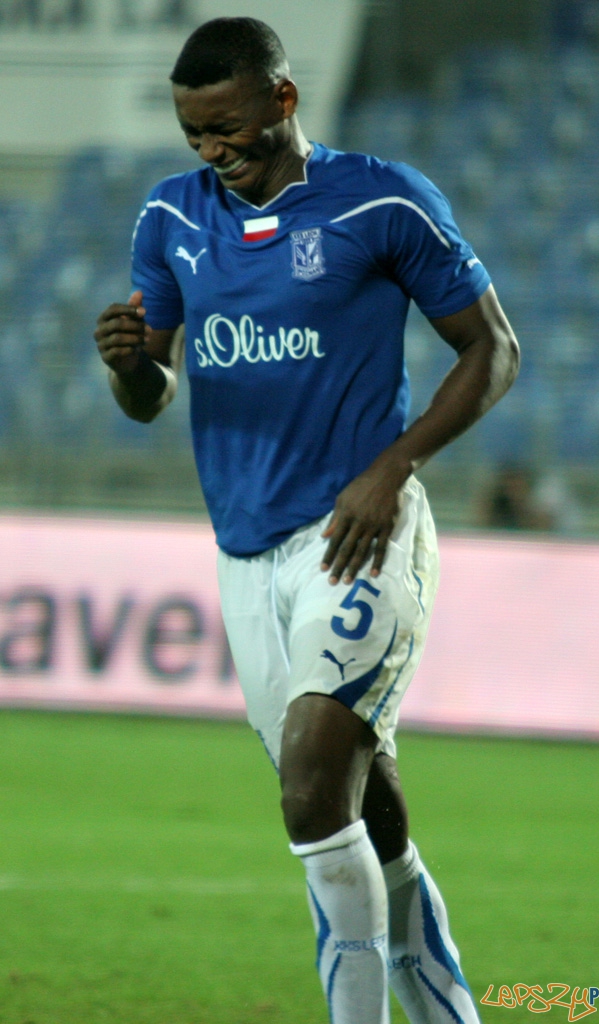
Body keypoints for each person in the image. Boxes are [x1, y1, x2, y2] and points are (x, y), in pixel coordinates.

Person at [94, 17, 520, 1024]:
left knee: (310, 790)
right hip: (244, 556)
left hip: (355, 534)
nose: (212, 152)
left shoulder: (380, 199)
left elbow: (492, 350)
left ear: (283, 100)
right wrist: (129, 367)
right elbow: (153, 396)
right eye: (194, 133)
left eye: (228, 128)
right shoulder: (170, 217)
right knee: (366, 819)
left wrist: (391, 469)